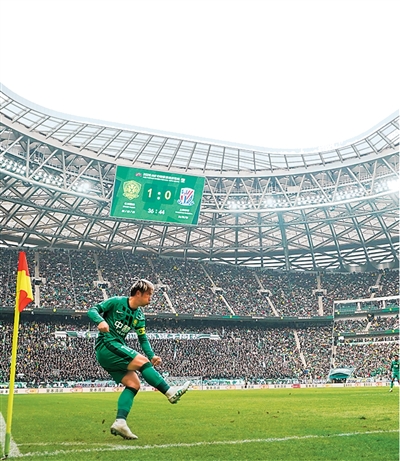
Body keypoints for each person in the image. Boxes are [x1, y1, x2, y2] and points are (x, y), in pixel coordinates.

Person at [87, 279, 190, 439]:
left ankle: (120, 422)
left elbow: (142, 338)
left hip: (115, 349)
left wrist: (152, 355)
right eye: (149, 294)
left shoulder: (139, 315)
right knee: (142, 362)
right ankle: (169, 392)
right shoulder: (116, 302)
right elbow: (92, 310)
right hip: (107, 345)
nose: (151, 298)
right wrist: (100, 320)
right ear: (138, 293)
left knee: (134, 384)